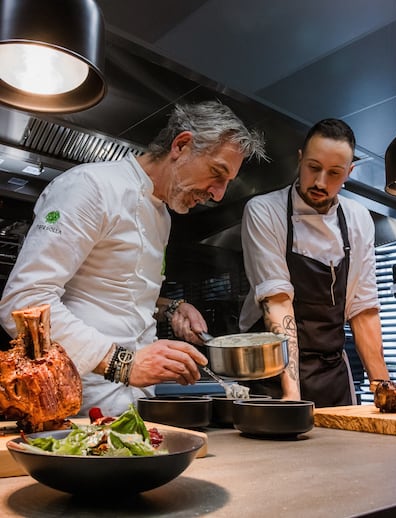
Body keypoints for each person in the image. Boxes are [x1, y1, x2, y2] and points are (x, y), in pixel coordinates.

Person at [0, 100, 266, 416]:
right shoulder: (90, 186)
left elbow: (119, 295)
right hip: (75, 406)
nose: (219, 194)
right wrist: (124, 363)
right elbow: (24, 302)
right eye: (217, 173)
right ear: (181, 145)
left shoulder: (163, 217)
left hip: (136, 406)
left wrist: (173, 308)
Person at [239, 118, 389, 407]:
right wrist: (293, 396)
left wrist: (383, 389)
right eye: (313, 167)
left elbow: (363, 308)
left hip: (331, 374)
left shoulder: (358, 219)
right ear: (300, 159)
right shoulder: (264, 211)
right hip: (271, 376)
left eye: (334, 173)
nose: (321, 182)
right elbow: (278, 302)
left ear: (349, 172)